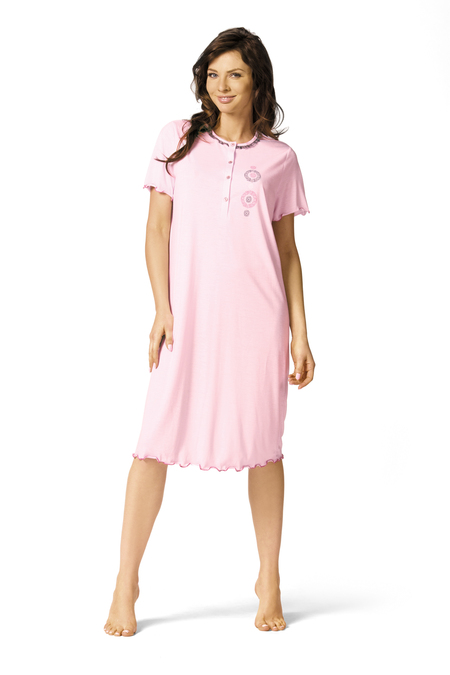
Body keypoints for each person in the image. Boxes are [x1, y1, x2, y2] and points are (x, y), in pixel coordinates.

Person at [104, 26, 315, 637]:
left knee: (264, 447)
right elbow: (156, 230)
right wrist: (161, 308)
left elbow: (288, 254)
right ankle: (125, 581)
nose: (222, 86)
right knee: (151, 443)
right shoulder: (176, 140)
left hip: (259, 321)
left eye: (235, 75)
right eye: (213, 75)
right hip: (188, 319)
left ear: (257, 83)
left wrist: (301, 333)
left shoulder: (280, 160)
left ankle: (269, 579)